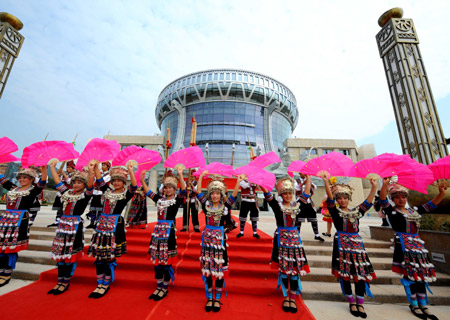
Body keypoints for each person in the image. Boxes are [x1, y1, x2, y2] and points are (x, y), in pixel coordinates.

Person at [380, 179, 447, 320]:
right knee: (409, 275)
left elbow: (432, 204)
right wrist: (385, 185)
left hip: (418, 246)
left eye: (403, 196)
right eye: (397, 197)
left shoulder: (415, 210)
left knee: (422, 274)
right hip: (403, 245)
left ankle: (423, 304)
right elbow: (382, 199)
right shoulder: (391, 211)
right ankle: (414, 304)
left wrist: (441, 193)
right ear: (392, 199)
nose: (401, 199)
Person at [322, 177, 378, 319]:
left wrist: (374, 187)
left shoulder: (356, 212)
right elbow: (329, 199)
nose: (342, 200)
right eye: (339, 198)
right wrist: (326, 183)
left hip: (356, 246)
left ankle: (360, 301)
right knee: (345, 274)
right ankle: (351, 301)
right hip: (341, 245)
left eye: (345, 198)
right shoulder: (334, 212)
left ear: (349, 199)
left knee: (359, 274)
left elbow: (368, 202)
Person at [260, 176, 311, 314]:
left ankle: (292, 297)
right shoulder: (278, 206)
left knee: (294, 269)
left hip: (295, 242)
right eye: (285, 193)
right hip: (281, 241)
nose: (288, 195)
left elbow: (306, 194)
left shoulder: (297, 205)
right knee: (283, 269)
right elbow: (268, 196)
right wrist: (261, 183)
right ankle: (285, 297)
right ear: (281, 195)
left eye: (290, 193)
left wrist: (308, 178)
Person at [87, 164, 137, 298]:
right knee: (99, 255)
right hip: (101, 225)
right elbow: (99, 181)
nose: (116, 183)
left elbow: (134, 187)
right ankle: (99, 281)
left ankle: (106, 283)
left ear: (123, 182)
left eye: (119, 180)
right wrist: (96, 167)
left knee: (109, 255)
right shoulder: (107, 191)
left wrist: (131, 171)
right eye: (114, 180)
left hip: (115, 226)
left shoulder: (125, 195)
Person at [195, 171, 242, 312]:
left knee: (220, 269)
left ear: (222, 195)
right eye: (213, 193)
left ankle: (218, 297)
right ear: (210, 194)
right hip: (207, 241)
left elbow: (234, 195)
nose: (215, 195)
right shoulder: (206, 205)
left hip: (220, 242)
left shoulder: (225, 206)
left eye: (218, 193)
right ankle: (210, 296)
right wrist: (202, 177)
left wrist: (238, 180)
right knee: (208, 269)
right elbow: (198, 192)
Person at [47, 160, 94, 295]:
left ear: (84, 184)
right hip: (62, 226)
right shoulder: (66, 193)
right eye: (74, 182)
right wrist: (51, 167)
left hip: (75, 227)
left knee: (69, 254)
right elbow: (58, 183)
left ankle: (65, 282)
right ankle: (59, 281)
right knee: (61, 254)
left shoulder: (85, 195)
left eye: (79, 182)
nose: (76, 184)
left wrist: (90, 170)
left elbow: (91, 186)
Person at [140, 167, 186, 301]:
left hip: (169, 232)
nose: (168, 189)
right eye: (166, 187)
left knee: (166, 261)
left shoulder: (177, 200)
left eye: (171, 187)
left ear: (174, 189)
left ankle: (164, 287)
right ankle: (158, 285)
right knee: (157, 261)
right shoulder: (160, 199)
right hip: (157, 232)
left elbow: (183, 191)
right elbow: (148, 192)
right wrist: (142, 179)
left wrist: (180, 174)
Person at [0, 166, 47, 287]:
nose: (21, 179)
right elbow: (2, 180)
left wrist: (44, 170)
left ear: (31, 179)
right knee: (1, 246)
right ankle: (1, 269)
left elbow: (42, 183)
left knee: (11, 247)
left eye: (25, 177)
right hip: (5, 221)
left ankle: (6, 273)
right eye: (20, 177)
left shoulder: (32, 191)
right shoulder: (14, 189)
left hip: (19, 222)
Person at [295, 174, 324, 241]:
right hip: (300, 201)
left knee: (313, 216)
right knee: (299, 218)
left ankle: (317, 235)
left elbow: (315, 188)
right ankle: (297, 234)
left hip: (308, 201)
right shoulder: (297, 181)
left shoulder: (309, 180)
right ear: (299, 173)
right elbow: (297, 188)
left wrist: (309, 182)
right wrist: (302, 184)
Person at [48, 161, 76, 227]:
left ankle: (65, 220)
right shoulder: (65, 174)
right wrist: (58, 176)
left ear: (72, 168)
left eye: (69, 167)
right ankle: (57, 220)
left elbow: (70, 182)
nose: (67, 169)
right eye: (67, 167)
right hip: (61, 192)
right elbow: (59, 182)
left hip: (69, 193)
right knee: (59, 207)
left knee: (65, 207)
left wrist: (63, 174)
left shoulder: (75, 174)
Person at [87, 161, 111, 229]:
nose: (102, 166)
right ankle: (92, 222)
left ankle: (98, 223)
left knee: (100, 209)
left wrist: (96, 175)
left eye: (104, 165)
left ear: (108, 167)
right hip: (95, 192)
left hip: (102, 193)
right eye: (102, 165)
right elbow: (94, 181)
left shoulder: (109, 175)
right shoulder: (99, 174)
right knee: (93, 208)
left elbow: (101, 181)